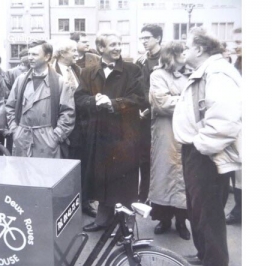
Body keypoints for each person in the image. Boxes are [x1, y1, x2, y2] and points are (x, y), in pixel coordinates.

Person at [173, 26, 242, 266]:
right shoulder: (208, 70)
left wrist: (200, 145)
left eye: (187, 45)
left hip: (207, 154)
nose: (184, 49)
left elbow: (225, 120)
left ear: (199, 49)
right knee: (198, 210)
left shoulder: (218, 72)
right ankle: (204, 256)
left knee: (209, 214)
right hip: (199, 151)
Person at [74, 31, 144, 232]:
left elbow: (139, 98)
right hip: (99, 134)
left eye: (119, 43)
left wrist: (113, 103)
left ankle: (127, 224)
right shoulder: (88, 72)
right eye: (113, 44)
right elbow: (79, 99)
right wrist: (93, 101)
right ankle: (103, 219)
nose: (118, 47)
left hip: (124, 134)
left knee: (126, 181)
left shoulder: (132, 70)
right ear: (101, 49)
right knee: (102, 178)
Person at [147, 42, 190, 240]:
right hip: (165, 131)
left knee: (183, 176)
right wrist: (186, 101)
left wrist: (176, 98)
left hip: (186, 132)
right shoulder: (157, 75)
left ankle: (181, 221)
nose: (186, 54)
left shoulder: (190, 74)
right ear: (172, 55)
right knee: (165, 173)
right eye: (182, 52)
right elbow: (162, 103)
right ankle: (164, 219)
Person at [5, 39, 75, 158]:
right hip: (22, 138)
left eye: (35, 54)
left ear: (47, 56)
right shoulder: (20, 80)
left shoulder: (60, 82)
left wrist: (56, 136)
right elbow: (10, 107)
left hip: (47, 141)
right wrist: (15, 130)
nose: (30, 58)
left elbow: (68, 113)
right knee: (22, 174)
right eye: (29, 54)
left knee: (46, 175)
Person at [52, 39, 96, 217]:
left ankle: (84, 201)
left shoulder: (78, 70)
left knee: (81, 164)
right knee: (62, 165)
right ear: (62, 53)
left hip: (80, 126)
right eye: (72, 52)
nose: (77, 55)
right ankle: (64, 204)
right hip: (59, 125)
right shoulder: (51, 71)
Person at [135, 24, 162, 212]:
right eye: (142, 38)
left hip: (161, 118)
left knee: (161, 160)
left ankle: (160, 203)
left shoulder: (167, 60)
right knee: (144, 159)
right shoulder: (141, 61)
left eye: (147, 38)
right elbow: (138, 88)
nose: (144, 41)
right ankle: (143, 196)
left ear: (158, 38)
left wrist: (151, 109)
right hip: (143, 119)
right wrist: (139, 108)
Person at [226, 27, 243, 225]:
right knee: (239, 171)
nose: (236, 46)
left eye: (239, 42)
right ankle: (239, 209)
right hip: (238, 121)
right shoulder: (237, 62)